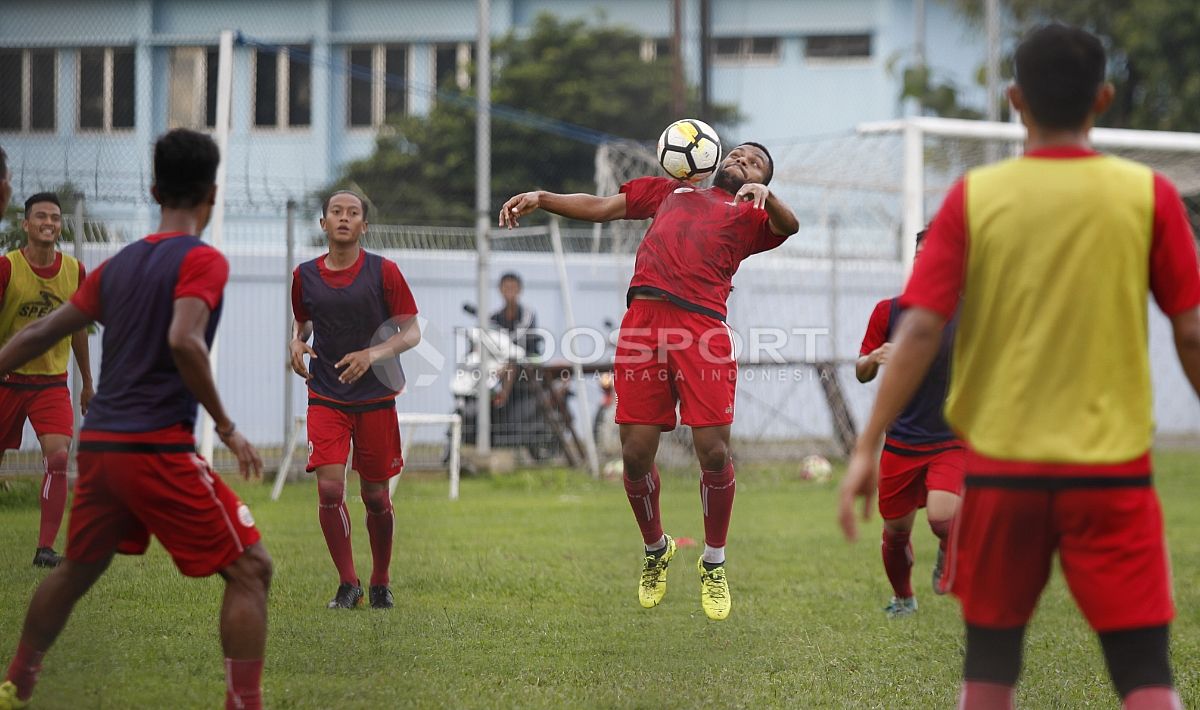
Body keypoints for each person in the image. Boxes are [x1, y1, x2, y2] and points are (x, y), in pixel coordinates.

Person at [839, 24, 1200, 709]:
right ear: (1104, 98)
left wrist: (864, 445)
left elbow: (916, 331)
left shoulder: (974, 200)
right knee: (1145, 673)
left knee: (990, 670)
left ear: (1014, 100)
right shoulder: (1148, 195)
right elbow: (1191, 333)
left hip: (1001, 471)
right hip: (1112, 469)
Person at [0, 129, 271, 710]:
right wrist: (226, 426)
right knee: (252, 568)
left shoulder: (118, 265)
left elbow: (42, 331)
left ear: (152, 190)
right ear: (213, 195)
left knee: (76, 571)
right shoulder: (203, 260)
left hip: (99, 449)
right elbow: (185, 340)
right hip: (155, 449)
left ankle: (17, 678)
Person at [500, 141, 799, 621]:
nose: (743, 160)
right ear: (716, 159)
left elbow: (790, 226)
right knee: (635, 455)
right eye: (739, 153)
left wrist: (767, 195)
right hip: (643, 322)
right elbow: (600, 207)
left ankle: (714, 562)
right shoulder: (669, 192)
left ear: (761, 180)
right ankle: (657, 549)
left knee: (715, 451)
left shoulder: (753, 215)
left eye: (757, 161)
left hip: (703, 331)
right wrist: (542, 196)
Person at [289, 190, 421, 610]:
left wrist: (372, 354)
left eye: (353, 213)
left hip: (376, 397)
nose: (344, 218)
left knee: (376, 497)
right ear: (323, 223)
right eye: (336, 212)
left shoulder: (385, 272)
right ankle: (349, 584)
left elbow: (412, 332)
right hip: (326, 394)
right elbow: (304, 320)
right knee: (330, 488)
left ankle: (381, 580)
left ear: (364, 226)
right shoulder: (304, 275)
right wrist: (295, 342)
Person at [854, 229, 963, 618]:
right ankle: (904, 599)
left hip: (952, 439)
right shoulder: (890, 311)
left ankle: (947, 555)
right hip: (901, 442)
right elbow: (861, 370)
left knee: (942, 517)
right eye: (920, 254)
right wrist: (875, 358)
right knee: (896, 532)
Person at [0, 192, 94, 568]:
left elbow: (79, 330)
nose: (49, 223)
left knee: (57, 458)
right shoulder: (7, 269)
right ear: (25, 224)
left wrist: (87, 382)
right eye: (41, 216)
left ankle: (44, 550)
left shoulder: (74, 271)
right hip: (6, 382)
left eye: (55, 218)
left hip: (50, 385)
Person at [490, 271, 542, 357]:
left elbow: (523, 337)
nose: (509, 291)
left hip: (527, 358)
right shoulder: (494, 317)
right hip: (503, 359)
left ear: (519, 289)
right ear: (500, 289)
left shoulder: (528, 314)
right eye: (506, 287)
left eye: (513, 288)